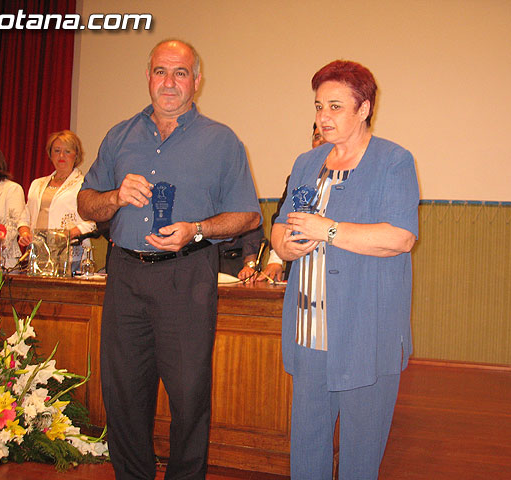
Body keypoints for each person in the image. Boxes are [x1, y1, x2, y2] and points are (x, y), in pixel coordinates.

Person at [77, 39, 260, 480]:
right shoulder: (119, 135)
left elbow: (248, 214)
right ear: (148, 77)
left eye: (181, 73)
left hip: (188, 278)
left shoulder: (222, 141)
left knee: (189, 395)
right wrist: (115, 196)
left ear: (197, 80)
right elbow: (86, 205)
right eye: (161, 71)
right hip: (123, 274)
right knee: (122, 395)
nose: (170, 82)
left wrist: (196, 229)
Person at [271, 60, 419, 479]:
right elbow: (280, 232)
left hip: (365, 332)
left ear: (364, 108)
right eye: (319, 106)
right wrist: (290, 244)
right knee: (307, 448)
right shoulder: (307, 163)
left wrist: (328, 229)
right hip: (309, 331)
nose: (323, 117)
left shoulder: (394, 161)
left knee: (360, 454)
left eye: (335, 106)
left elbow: (401, 238)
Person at [258, 123, 328, 283]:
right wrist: (276, 260)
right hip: (300, 270)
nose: (321, 141)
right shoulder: (298, 178)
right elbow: (282, 220)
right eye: (317, 137)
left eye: (326, 136)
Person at [18, 130, 96, 273]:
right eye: (57, 150)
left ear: (76, 155)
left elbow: (93, 221)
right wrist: (24, 233)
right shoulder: (37, 184)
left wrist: (70, 233)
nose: (61, 156)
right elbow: (25, 216)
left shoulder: (85, 184)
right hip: (37, 254)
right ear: (50, 154)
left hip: (69, 254)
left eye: (67, 151)